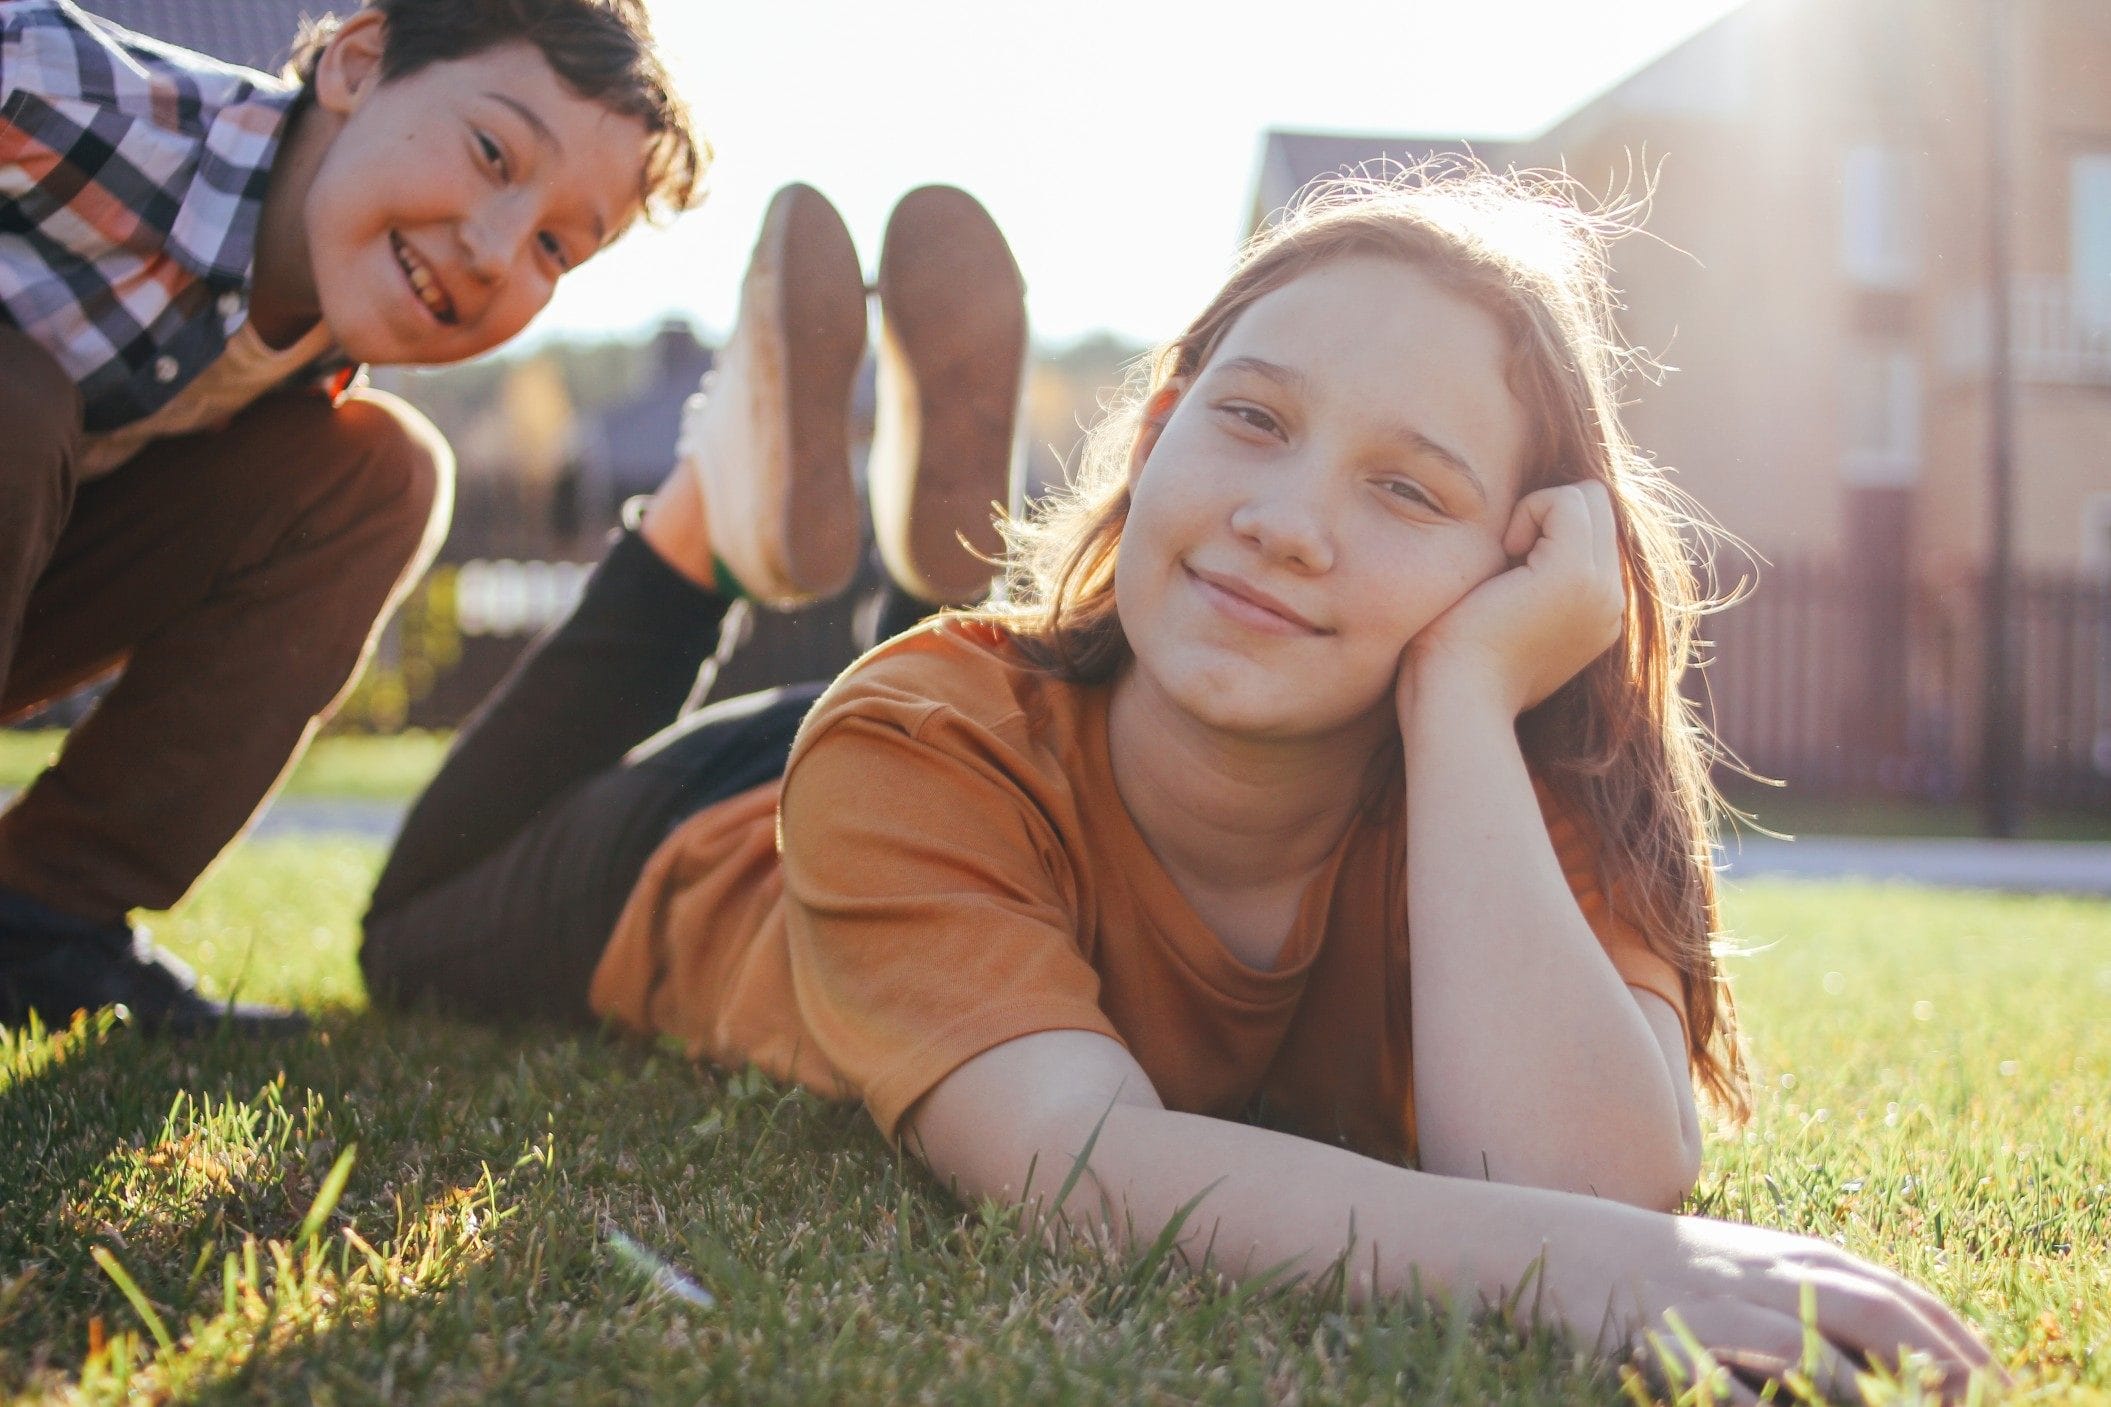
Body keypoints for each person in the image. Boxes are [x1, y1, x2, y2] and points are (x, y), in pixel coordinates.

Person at [361, 176, 1992, 1396]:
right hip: (727, 832)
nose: (1288, 516)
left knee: (963, 664)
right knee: (408, 926)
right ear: (1154, 435)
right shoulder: (915, 746)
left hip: (1013, 711)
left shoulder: (1509, 759)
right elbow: (1080, 1174)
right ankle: (712, 508)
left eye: (1406, 487)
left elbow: (1582, 1166)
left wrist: (1463, 690)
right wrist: (1575, 1270)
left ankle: (886, 538)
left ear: (1517, 565)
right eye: (1252, 420)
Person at [0, 0, 705, 1032]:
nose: (494, 250)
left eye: (557, 247)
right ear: (359, 62)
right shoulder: (51, 87)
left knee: (383, 472)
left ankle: (42, 925)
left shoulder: (314, 332)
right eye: (490, 151)